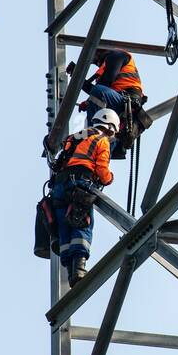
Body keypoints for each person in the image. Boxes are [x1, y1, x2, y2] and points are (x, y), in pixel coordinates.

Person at [50, 109, 117, 286]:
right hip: (80, 184)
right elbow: (102, 171)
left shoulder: (74, 138)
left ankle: (70, 268)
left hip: (59, 187)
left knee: (64, 225)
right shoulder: (101, 140)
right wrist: (109, 178)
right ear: (110, 128)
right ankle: (78, 269)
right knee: (82, 222)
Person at [74, 47, 144, 158]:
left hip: (125, 101)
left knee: (98, 92)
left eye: (96, 60)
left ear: (100, 51)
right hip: (114, 103)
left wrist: (87, 100)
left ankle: (94, 137)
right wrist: (76, 75)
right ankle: (96, 153)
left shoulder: (117, 55)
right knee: (96, 127)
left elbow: (106, 80)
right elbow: (99, 88)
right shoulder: (105, 67)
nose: (97, 64)